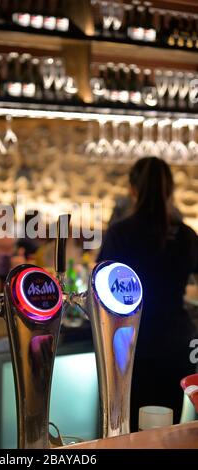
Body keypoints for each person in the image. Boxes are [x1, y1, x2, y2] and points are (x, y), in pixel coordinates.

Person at [96, 157, 198, 430]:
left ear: (132, 188)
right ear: (170, 191)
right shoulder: (186, 235)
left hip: (130, 344)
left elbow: (98, 287)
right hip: (178, 343)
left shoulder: (121, 233)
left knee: (126, 429)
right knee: (169, 431)